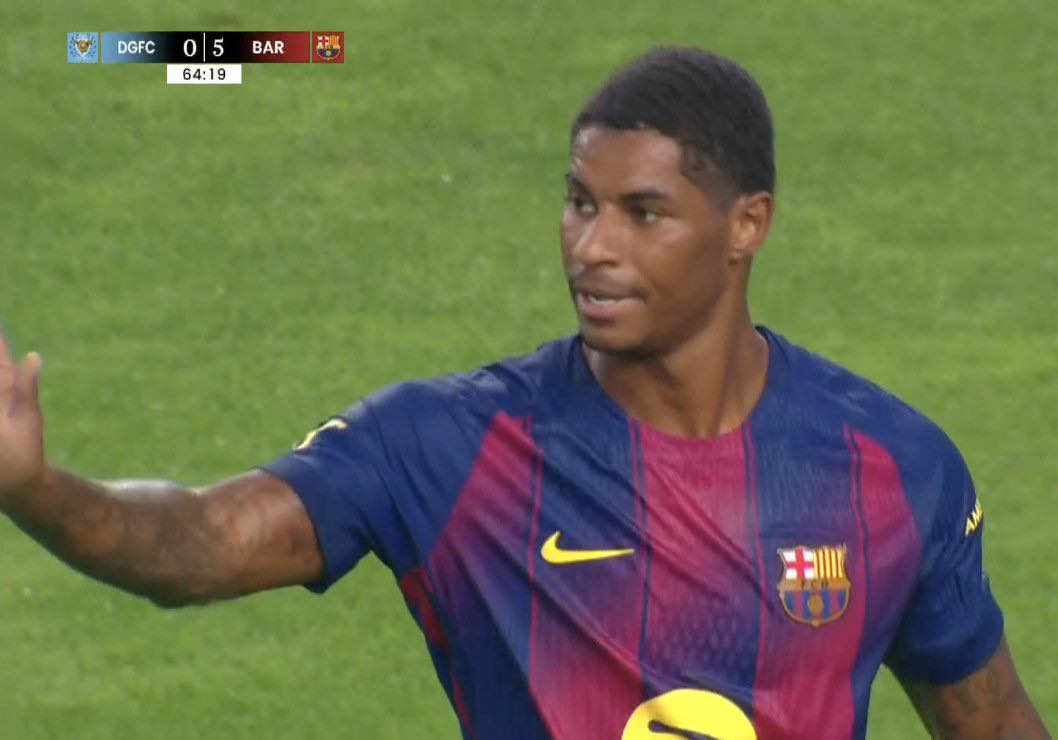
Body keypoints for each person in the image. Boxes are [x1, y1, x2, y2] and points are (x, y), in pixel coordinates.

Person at [0, 47, 1047, 740]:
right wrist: (34, 486)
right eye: (578, 203)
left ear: (746, 225)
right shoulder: (450, 447)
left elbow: (990, 723)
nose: (591, 246)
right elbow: (202, 543)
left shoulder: (888, 470)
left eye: (642, 213)